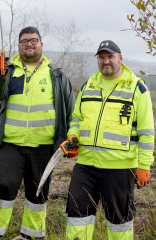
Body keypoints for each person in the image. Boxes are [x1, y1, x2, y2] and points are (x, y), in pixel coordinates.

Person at [0, 26, 75, 240]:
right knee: (5, 185)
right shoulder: (9, 69)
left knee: (38, 191)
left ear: (41, 44)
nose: (29, 44)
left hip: (44, 146)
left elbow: (72, 110)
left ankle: (32, 235)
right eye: (24, 41)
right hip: (10, 144)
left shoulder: (56, 74)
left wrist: (72, 136)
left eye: (34, 40)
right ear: (18, 46)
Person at [65, 40, 155, 240]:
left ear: (120, 59)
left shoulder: (137, 89)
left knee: (119, 223)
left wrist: (144, 165)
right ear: (97, 59)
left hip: (119, 168)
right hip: (85, 165)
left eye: (110, 56)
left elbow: (147, 132)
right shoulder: (88, 85)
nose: (106, 61)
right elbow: (77, 119)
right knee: (77, 216)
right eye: (102, 57)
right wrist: (73, 136)